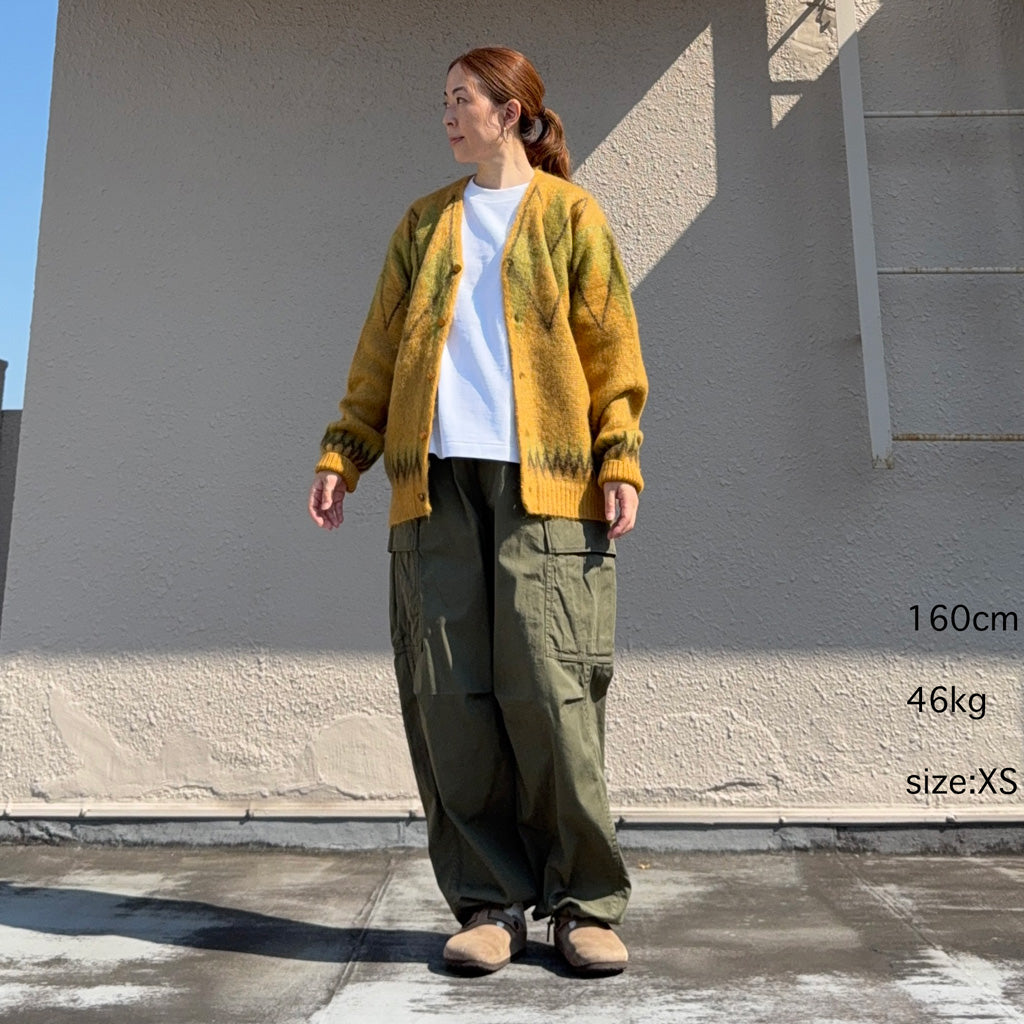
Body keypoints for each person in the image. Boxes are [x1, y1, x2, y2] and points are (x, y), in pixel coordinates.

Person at [308, 46, 648, 976]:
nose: (449, 115)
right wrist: (345, 452)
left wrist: (619, 457)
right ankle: (489, 904)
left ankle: (583, 903)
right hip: (433, 490)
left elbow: (611, 348)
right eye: (445, 101)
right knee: (448, 699)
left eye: (463, 99)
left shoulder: (571, 215)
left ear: (512, 112)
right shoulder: (424, 224)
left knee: (551, 691)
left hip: (548, 488)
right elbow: (379, 354)